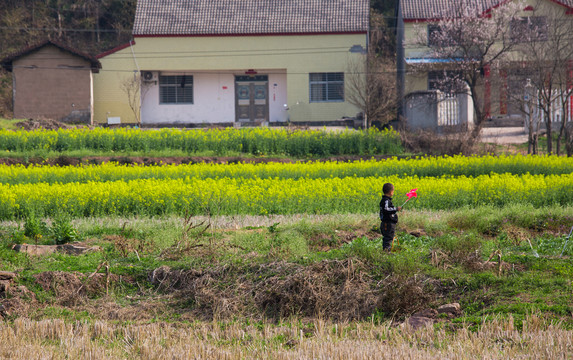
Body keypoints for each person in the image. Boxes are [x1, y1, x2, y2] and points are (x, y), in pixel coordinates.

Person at [379, 183, 402, 251]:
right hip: (387, 223)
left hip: (388, 223)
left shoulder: (386, 200)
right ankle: (386, 252)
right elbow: (386, 209)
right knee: (388, 238)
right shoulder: (386, 200)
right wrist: (395, 209)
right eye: (393, 191)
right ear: (391, 192)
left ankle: (387, 251)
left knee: (389, 237)